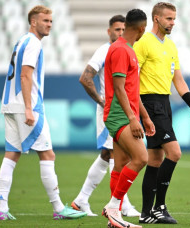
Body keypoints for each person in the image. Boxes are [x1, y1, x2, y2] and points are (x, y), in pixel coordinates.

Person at [0, 5, 86, 220]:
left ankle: (2, 208)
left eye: (51, 21)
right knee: (47, 154)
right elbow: (25, 76)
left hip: (9, 104)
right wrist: (29, 108)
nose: (49, 25)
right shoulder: (34, 43)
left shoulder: (21, 41)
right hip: (27, 106)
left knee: (11, 154)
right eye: (45, 21)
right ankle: (58, 209)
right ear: (33, 22)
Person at [134, 2, 190, 224]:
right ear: (156, 19)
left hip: (164, 103)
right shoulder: (143, 43)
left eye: (174, 18)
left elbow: (179, 80)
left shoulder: (171, 46)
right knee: (174, 153)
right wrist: (140, 111)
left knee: (155, 159)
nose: (173, 22)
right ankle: (159, 207)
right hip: (149, 103)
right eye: (169, 18)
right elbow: (132, 78)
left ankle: (146, 213)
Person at [71, 15, 140, 217]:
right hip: (112, 113)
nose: (120, 33)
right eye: (116, 30)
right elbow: (86, 77)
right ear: (109, 31)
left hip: (120, 111)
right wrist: (102, 101)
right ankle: (122, 205)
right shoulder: (105, 50)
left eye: (122, 29)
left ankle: (81, 200)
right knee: (115, 157)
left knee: (109, 155)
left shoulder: (123, 50)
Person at [101, 8, 154, 228]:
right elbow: (120, 89)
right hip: (119, 115)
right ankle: (113, 207)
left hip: (126, 114)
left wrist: (145, 117)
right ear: (142, 29)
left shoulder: (127, 49)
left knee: (121, 164)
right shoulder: (122, 50)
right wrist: (133, 119)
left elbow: (132, 91)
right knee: (141, 158)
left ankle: (115, 218)